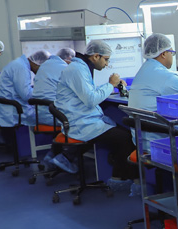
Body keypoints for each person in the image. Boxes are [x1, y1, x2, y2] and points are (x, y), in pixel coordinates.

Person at [54, 40, 138, 190]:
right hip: (81, 124)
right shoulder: (77, 69)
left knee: (122, 132)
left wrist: (109, 87)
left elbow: (88, 92)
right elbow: (91, 99)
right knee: (126, 138)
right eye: (106, 59)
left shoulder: (81, 68)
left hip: (82, 120)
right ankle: (118, 180)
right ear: (96, 56)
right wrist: (110, 84)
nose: (107, 64)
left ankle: (123, 172)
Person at [31, 47, 77, 174]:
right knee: (82, 123)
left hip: (39, 115)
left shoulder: (44, 67)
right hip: (54, 115)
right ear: (69, 58)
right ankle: (66, 157)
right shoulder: (64, 68)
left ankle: (51, 156)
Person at [0, 50, 50, 128]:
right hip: (12, 111)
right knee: (48, 116)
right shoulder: (21, 68)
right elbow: (26, 95)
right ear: (37, 64)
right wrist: (43, 91)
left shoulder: (20, 64)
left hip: (9, 105)